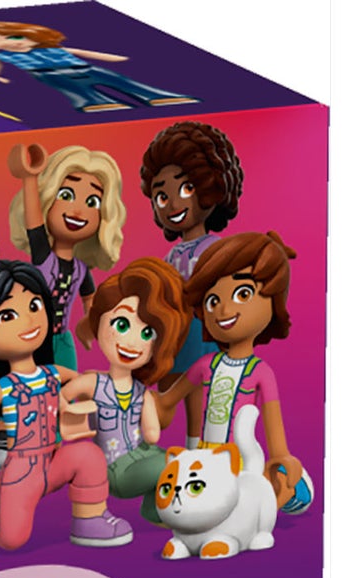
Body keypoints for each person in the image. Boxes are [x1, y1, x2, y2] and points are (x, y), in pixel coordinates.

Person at [0, 261, 131, 550]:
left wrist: (101, 394)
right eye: (7, 315)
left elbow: (87, 383)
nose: (29, 320)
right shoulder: (1, 390)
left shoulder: (52, 373)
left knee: (89, 457)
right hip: (20, 474)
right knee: (12, 539)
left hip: (54, 462)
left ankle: (90, 519)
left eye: (34, 306)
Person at [176, 230, 309, 512]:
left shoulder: (260, 372)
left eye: (243, 294)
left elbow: (273, 421)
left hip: (242, 461)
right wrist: (153, 405)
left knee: (277, 491)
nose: (224, 308)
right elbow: (169, 398)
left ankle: (282, 492)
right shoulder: (206, 365)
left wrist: (281, 455)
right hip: (204, 457)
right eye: (213, 300)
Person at [67, 258, 192, 521]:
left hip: (142, 455)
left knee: (180, 461)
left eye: (148, 334)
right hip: (113, 469)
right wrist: (71, 414)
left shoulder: (141, 393)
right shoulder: (94, 382)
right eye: (122, 325)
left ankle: (154, 509)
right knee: (171, 466)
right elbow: (62, 396)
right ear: (99, 322)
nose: (133, 342)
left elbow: (153, 435)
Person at [6, 142, 126, 366]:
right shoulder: (44, 257)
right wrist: (30, 179)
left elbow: (89, 299)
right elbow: (34, 225)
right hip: (35, 338)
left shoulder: (81, 269)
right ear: (48, 198)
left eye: (92, 202)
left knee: (69, 382)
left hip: (63, 340)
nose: (78, 211)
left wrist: (92, 324)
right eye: (66, 194)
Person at [138, 120, 245, 371]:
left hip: (206, 328)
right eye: (162, 197)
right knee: (175, 377)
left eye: (187, 189)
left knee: (204, 377)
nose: (174, 204)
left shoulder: (215, 249)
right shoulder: (171, 256)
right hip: (176, 331)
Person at [0, 20, 195, 115]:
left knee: (122, 82)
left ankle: (159, 96)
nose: (9, 43)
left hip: (87, 68)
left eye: (16, 37)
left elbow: (86, 53)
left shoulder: (55, 49)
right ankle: (93, 103)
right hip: (51, 76)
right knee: (76, 91)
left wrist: (118, 58)